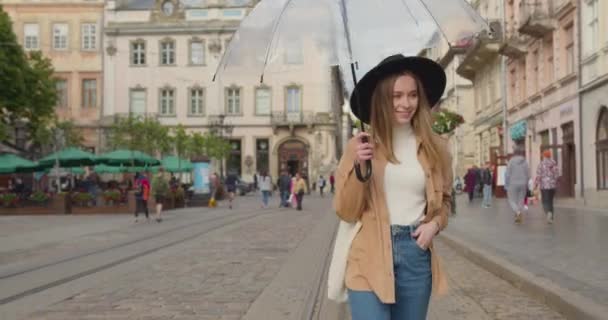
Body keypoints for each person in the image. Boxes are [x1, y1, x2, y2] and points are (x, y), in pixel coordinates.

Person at [330, 54, 452, 320]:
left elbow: (446, 201)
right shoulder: (359, 146)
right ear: (383, 99)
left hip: (415, 254)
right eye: (396, 96)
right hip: (368, 254)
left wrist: (434, 225)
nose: (405, 103)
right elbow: (346, 211)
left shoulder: (436, 148)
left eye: (412, 95)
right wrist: (360, 166)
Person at [505, 144, 530, 224]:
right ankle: (518, 215)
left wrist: (507, 184)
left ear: (514, 153)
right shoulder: (525, 161)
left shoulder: (511, 161)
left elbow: (508, 174)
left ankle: (517, 212)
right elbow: (528, 174)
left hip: (513, 183)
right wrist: (526, 182)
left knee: (511, 199)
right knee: (521, 200)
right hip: (523, 184)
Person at [535, 150, 560, 224]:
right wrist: (554, 181)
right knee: (550, 201)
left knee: (544, 201)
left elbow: (538, 176)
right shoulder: (554, 163)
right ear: (550, 155)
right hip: (552, 186)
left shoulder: (541, 164)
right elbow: (557, 174)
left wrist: (536, 185)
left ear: (544, 156)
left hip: (544, 186)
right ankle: (551, 217)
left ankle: (548, 212)